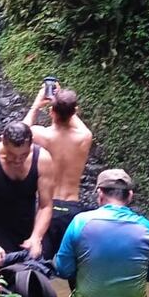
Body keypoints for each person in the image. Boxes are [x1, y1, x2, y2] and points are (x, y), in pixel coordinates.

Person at [54, 169, 149, 297]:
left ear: (100, 193)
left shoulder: (80, 222)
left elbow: (63, 270)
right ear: (130, 195)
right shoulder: (148, 227)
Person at [0, 120, 55, 276]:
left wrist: (36, 237)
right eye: (11, 154)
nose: (17, 160)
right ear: (2, 141)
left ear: (31, 144)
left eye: (23, 155)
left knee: (32, 289)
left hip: (29, 231)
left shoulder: (42, 159)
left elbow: (45, 206)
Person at [24, 81, 94, 260]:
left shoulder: (41, 134)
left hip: (47, 208)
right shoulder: (84, 138)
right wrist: (62, 98)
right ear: (74, 112)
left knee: (39, 267)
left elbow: (19, 131)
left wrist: (38, 103)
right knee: (74, 272)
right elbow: (73, 118)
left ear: (51, 112)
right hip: (72, 210)